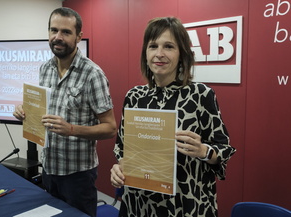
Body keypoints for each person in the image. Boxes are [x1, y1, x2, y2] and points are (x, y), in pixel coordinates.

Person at [110, 17, 236, 217]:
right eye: (153, 46)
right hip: (139, 204)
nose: (159, 54)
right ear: (145, 52)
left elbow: (224, 149)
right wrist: (118, 168)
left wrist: (203, 150)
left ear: (182, 54)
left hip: (185, 205)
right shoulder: (134, 96)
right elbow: (122, 148)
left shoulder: (200, 95)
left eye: (168, 46)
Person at [13, 7, 117, 217]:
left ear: (79, 36)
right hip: (49, 167)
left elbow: (110, 128)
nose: (57, 37)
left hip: (77, 175)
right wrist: (25, 111)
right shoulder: (45, 68)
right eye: (54, 30)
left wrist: (71, 129)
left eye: (66, 32)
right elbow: (43, 111)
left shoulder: (92, 74)